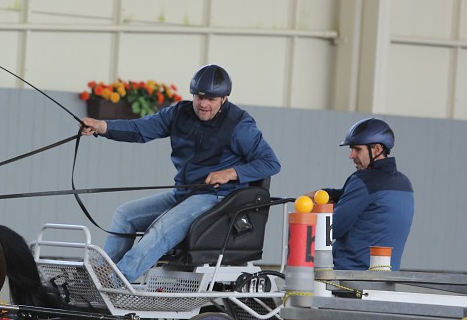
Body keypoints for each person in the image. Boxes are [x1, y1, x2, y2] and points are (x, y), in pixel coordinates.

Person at [81, 64, 281, 282]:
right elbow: (141, 129)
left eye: (211, 99)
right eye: (199, 97)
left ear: (224, 99)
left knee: (162, 228)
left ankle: (115, 283)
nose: (203, 104)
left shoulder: (240, 125)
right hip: (184, 194)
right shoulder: (178, 113)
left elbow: (270, 163)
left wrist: (231, 173)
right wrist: (102, 126)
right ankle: (98, 277)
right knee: (125, 214)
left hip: (218, 199)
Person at [309, 117, 413, 271]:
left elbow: (332, 230)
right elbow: (366, 202)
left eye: (357, 149)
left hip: (349, 278)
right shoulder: (404, 184)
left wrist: (313, 214)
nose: (351, 155)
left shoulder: (363, 181)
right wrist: (327, 193)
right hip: (386, 279)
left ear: (377, 149)